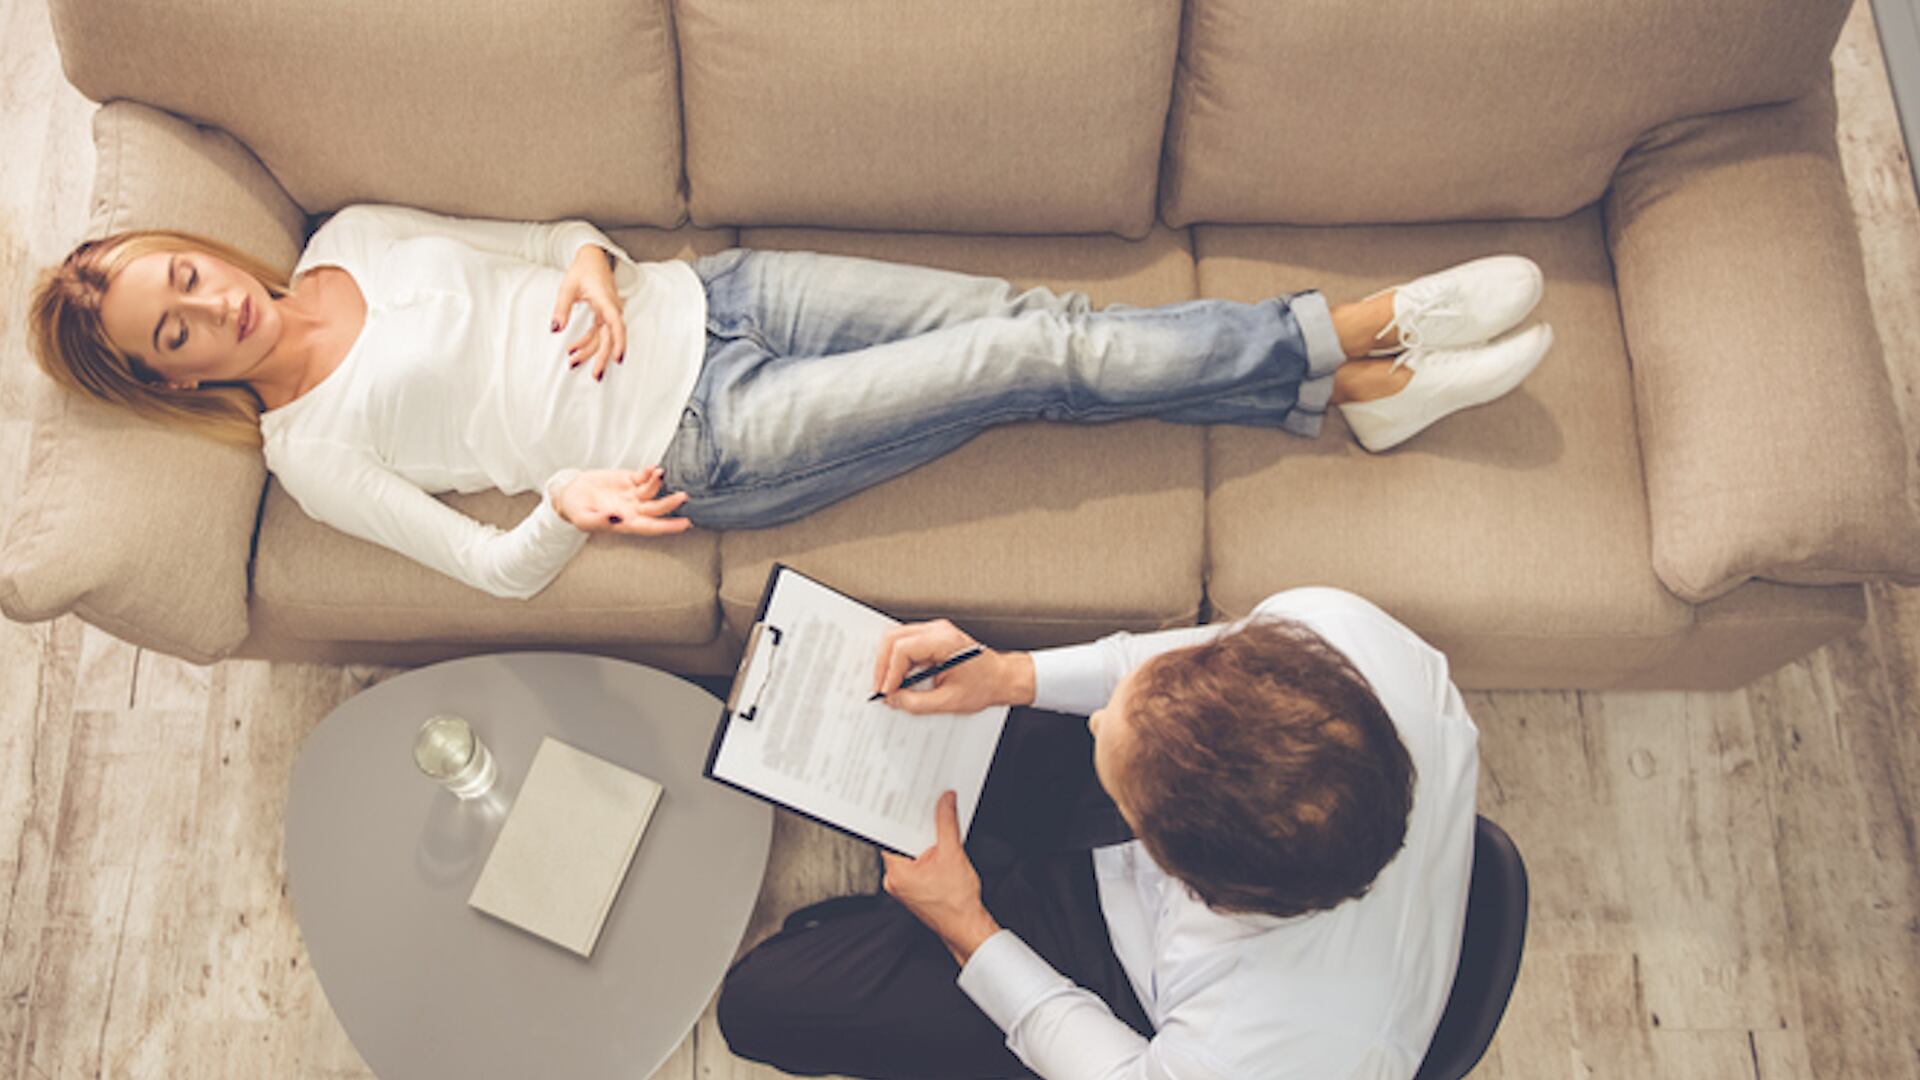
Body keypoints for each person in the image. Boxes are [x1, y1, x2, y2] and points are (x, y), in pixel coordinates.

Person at [28, 204, 1552, 599]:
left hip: (728, 294)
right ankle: (1355, 331)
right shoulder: (312, 455)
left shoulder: (344, 242)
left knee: (1040, 333)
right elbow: (482, 560)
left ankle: (1354, 394)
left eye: (186, 275)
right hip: (708, 442)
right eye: (179, 333)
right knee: (1031, 360)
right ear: (179, 383)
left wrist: (595, 269)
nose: (214, 305)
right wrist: (561, 510)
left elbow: (554, 234)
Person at [715, 586, 1480, 1080]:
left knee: (757, 1005)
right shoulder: (1337, 634)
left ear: (1179, 871)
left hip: (1133, 991)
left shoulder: (1257, 1059)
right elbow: (1142, 677)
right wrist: (1012, 675)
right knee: (887, 714)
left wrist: (968, 930)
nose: (1095, 718)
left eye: (1114, 765)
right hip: (1192, 842)